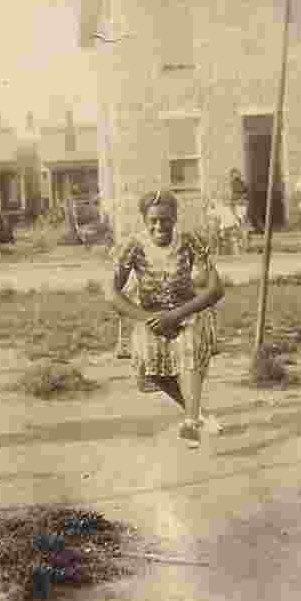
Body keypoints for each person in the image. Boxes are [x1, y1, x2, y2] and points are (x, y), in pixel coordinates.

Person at [109, 190, 226, 448]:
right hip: (151, 316)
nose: (159, 226)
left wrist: (175, 315)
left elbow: (216, 289)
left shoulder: (190, 241)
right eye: (152, 220)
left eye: (165, 219)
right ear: (144, 220)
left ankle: (191, 423)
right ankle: (197, 414)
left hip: (186, 313)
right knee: (149, 361)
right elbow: (111, 293)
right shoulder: (134, 246)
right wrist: (148, 318)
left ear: (175, 218)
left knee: (189, 345)